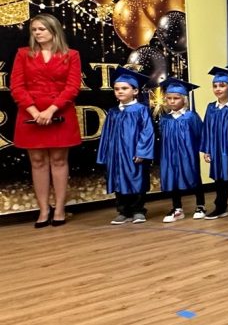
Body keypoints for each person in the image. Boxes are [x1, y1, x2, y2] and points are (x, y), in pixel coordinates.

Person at [10, 13, 82, 226]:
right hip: (29, 114)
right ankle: (43, 210)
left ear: (53, 30)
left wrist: (51, 110)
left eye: (41, 29)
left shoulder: (71, 55)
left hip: (60, 112)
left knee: (59, 160)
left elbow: (72, 87)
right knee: (37, 161)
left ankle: (59, 209)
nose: (37, 33)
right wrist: (35, 113)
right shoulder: (23, 54)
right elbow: (17, 87)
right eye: (34, 30)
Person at [97, 66, 155, 224]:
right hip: (116, 155)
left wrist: (142, 152)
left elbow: (147, 132)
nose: (120, 91)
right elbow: (106, 135)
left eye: (124, 88)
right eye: (116, 89)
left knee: (137, 180)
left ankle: (138, 210)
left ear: (135, 91)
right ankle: (123, 211)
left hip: (134, 154)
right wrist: (105, 154)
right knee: (118, 181)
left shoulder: (141, 110)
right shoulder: (113, 112)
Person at [157, 77, 205, 222]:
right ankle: (177, 208)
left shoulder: (191, 116)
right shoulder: (165, 119)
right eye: (169, 98)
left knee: (194, 176)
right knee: (172, 179)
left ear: (184, 99)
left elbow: (200, 134)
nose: (172, 101)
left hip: (188, 153)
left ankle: (200, 205)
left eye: (176, 98)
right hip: (169, 154)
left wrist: (202, 151)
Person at [199, 66, 228, 219]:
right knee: (219, 180)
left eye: (222, 85)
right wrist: (207, 150)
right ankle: (220, 207)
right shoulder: (211, 108)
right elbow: (207, 129)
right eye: (215, 86)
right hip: (217, 149)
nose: (218, 89)